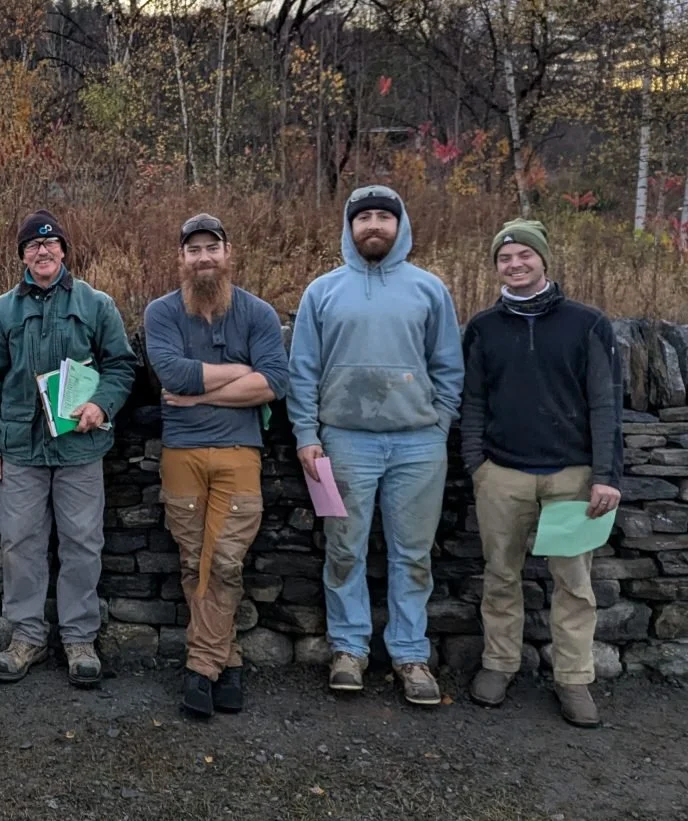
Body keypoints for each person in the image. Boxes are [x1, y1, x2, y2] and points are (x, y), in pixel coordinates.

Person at [288, 185, 464, 705]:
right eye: (362, 217)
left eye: (382, 218)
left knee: (413, 554)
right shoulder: (322, 292)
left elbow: (448, 367)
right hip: (344, 443)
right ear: (349, 228)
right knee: (344, 549)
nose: (373, 226)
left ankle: (410, 655)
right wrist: (306, 434)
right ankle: (349, 649)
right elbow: (303, 371)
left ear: (400, 225)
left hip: (418, 445)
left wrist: (439, 426)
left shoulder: (429, 290)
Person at [461, 219, 621, 728]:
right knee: (500, 576)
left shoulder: (587, 323)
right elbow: (472, 402)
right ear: (496, 268)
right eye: (504, 258)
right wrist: (476, 466)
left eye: (524, 255)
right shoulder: (483, 328)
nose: (515, 264)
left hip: (571, 476)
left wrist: (606, 473)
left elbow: (604, 402)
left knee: (573, 583)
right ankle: (499, 664)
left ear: (543, 259)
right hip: (502, 474)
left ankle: (574, 679)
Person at [0, 209, 137, 688]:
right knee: (20, 544)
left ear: (64, 250)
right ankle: (26, 636)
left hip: (80, 449)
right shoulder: (2, 311)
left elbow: (122, 367)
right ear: (22, 255)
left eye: (50, 244)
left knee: (83, 544)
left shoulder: (95, 304)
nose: (42, 252)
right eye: (32, 246)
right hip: (20, 449)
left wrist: (101, 406)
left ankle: (79, 639)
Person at [143, 214, 288, 717]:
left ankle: (201, 666)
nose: (203, 257)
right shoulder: (161, 313)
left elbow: (273, 383)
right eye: (193, 250)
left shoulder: (258, 314)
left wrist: (203, 394)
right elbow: (174, 375)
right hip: (181, 455)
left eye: (212, 248)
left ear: (228, 253)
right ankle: (230, 659)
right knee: (193, 561)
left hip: (239, 455)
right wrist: (238, 377)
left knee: (224, 561)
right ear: (181, 259)